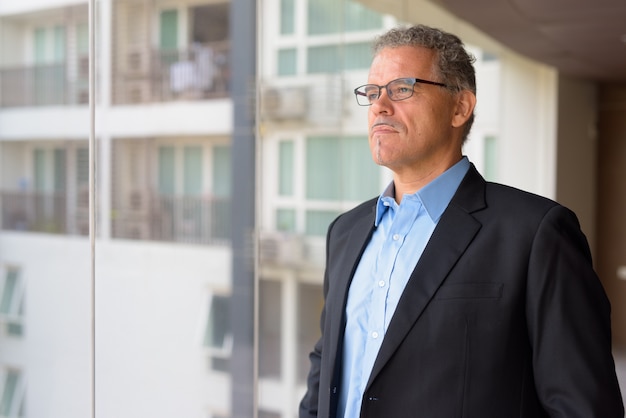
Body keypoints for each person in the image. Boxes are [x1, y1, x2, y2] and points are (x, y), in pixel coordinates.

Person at [299, 24, 624, 418]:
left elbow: (583, 406)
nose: (380, 106)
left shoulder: (536, 233)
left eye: (401, 88)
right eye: (372, 92)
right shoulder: (345, 232)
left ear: (460, 107)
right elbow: (325, 372)